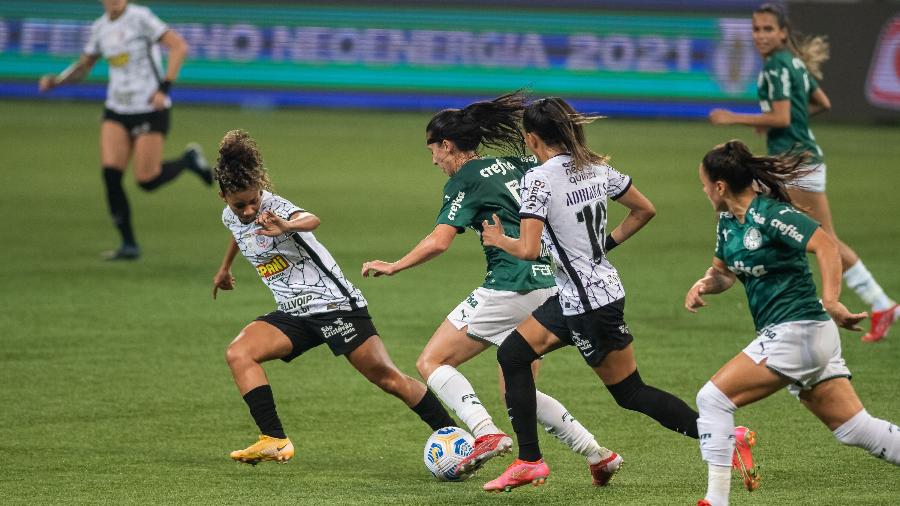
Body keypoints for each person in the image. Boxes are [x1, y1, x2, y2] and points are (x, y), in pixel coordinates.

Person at [360, 91, 620, 484]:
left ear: (447, 145)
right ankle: (598, 455)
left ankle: (486, 434)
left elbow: (440, 239)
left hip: (509, 285)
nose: (433, 160)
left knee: (432, 361)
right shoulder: (514, 162)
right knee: (519, 394)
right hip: (548, 283)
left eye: (433, 150)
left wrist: (394, 265)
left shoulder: (465, 178)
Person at [480, 97, 723, 492]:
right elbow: (644, 209)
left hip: (588, 306)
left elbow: (526, 250)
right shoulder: (595, 167)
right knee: (513, 354)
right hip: (589, 294)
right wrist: (603, 246)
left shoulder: (538, 180)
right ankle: (529, 461)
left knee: (631, 393)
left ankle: (722, 437)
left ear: (531, 138)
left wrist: (498, 240)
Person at [211, 129, 456, 465]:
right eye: (241, 204)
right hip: (293, 312)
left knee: (388, 378)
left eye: (254, 199)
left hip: (334, 306)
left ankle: (455, 435)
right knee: (239, 353)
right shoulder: (232, 215)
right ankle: (274, 439)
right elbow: (238, 232)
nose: (250, 209)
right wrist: (224, 269)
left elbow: (312, 219)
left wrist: (286, 226)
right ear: (223, 195)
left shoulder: (274, 208)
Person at [685, 140, 900, 506]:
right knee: (854, 428)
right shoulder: (727, 223)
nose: (703, 190)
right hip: (798, 336)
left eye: (704, 183)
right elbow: (724, 274)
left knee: (713, 400)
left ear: (719, 186)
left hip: (799, 330)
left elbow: (827, 246)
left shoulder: (771, 214)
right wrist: (706, 283)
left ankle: (715, 501)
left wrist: (831, 300)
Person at [708, 3, 897, 342]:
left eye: (768, 29)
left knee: (820, 238)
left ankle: (880, 305)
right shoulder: (793, 63)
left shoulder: (776, 68)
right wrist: (789, 123)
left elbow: (780, 118)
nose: (761, 35)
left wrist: (735, 117)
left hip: (796, 164)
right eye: (756, 29)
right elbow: (821, 102)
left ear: (783, 32)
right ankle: (876, 305)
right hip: (798, 160)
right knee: (805, 232)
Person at [38, 0, 212, 260]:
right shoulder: (100, 28)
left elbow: (179, 47)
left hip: (150, 108)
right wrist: (58, 81)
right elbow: (85, 65)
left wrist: (164, 88)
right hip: (116, 109)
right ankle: (129, 245)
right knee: (110, 175)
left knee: (147, 180)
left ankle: (188, 161)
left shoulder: (141, 17)